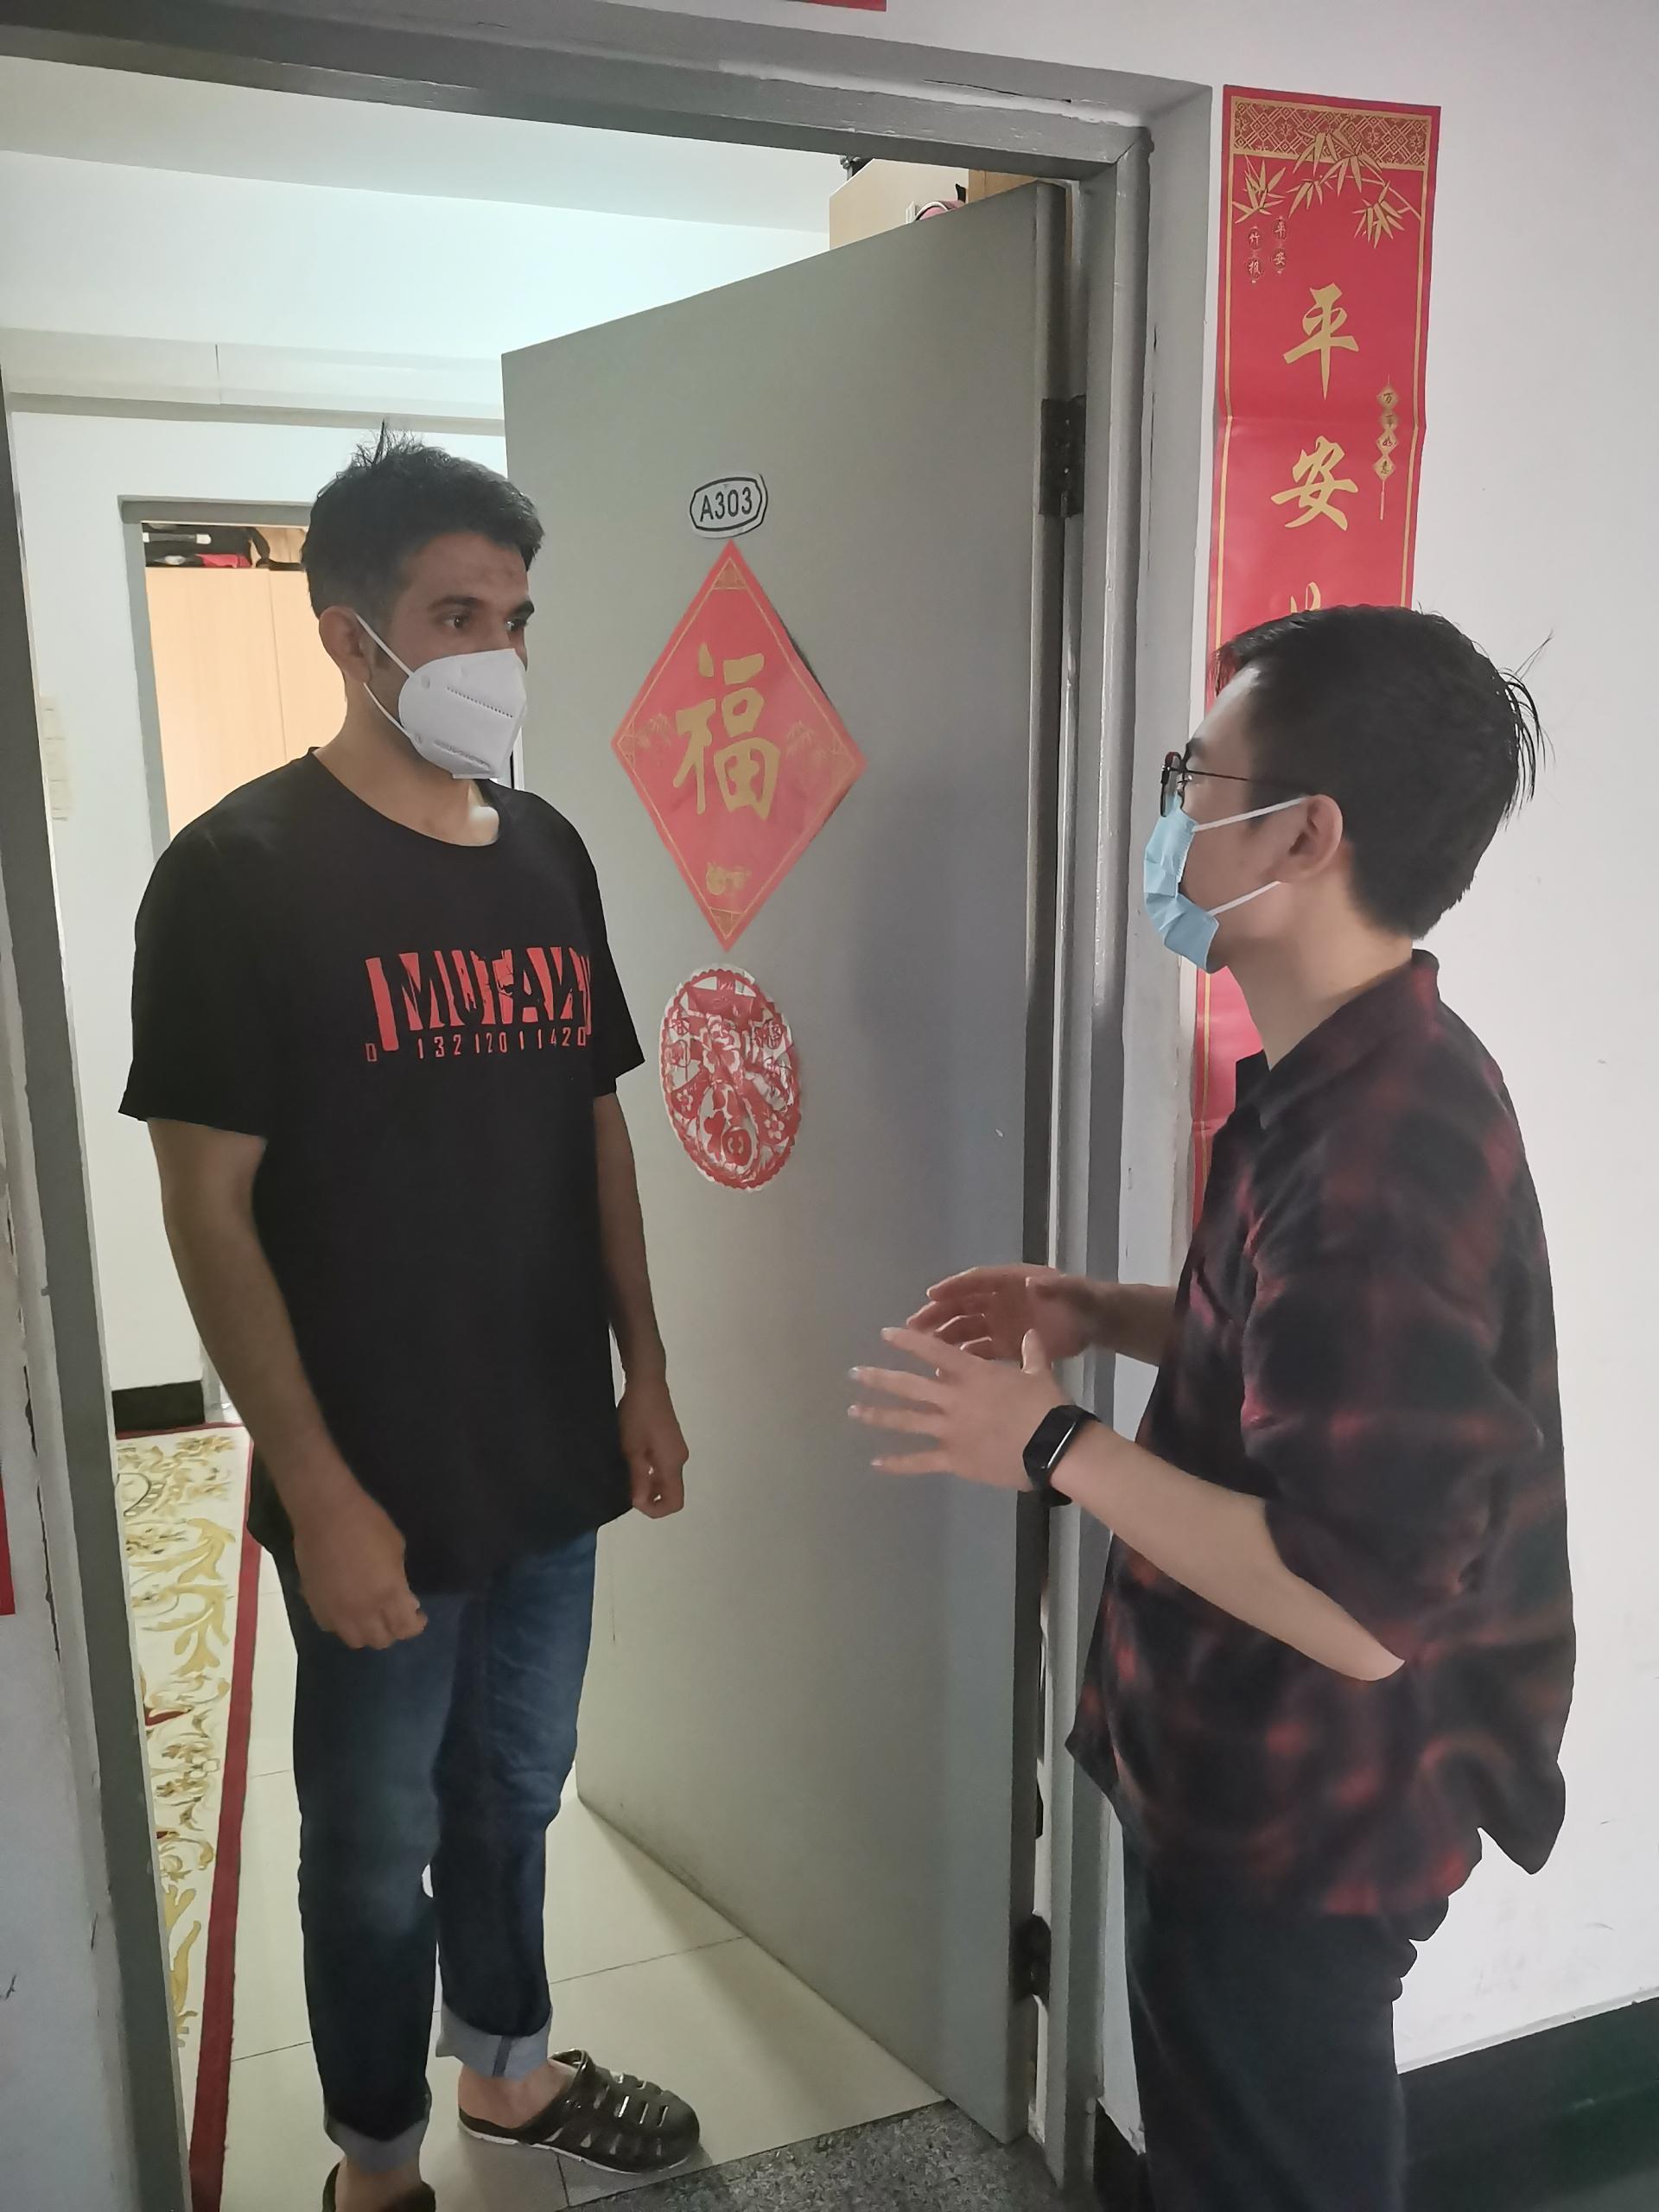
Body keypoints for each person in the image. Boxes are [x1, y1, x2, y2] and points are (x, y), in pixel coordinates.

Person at [850, 607, 1574, 2212]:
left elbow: (1362, 1602)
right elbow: (1315, 1377)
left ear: (1306, 834)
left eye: (1199, 778)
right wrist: (1103, 1314)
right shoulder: (1345, 1075)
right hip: (1239, 1777)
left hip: (1300, 1827)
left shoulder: (1379, 1149)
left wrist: (1052, 1441)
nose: (1172, 818)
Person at [123, 432, 701, 2212]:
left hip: (548, 1445)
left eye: (514, 618)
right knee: (373, 1844)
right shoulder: (235, 873)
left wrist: (647, 1370)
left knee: (516, 1788)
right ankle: (376, 2163)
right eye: (457, 617)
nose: (497, 655)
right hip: (369, 1471)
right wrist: (314, 1487)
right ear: (349, 634)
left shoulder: (548, 850)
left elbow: (596, 1124)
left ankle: (511, 2073)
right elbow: (208, 1207)